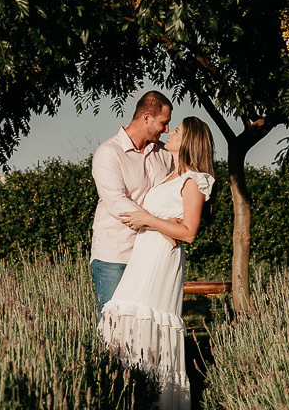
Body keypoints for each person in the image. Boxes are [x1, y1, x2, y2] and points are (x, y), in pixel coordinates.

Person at [99, 116, 216, 410]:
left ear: (188, 140)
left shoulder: (194, 180)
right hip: (145, 253)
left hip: (161, 260)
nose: (170, 132)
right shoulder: (170, 176)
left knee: (144, 321)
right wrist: (159, 223)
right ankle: (128, 395)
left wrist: (152, 221)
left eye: (176, 131)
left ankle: (153, 399)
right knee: (123, 324)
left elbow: (189, 232)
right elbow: (163, 220)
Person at [90, 90, 175, 317]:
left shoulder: (164, 154)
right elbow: (118, 204)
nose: (166, 130)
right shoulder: (109, 153)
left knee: (143, 326)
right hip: (114, 256)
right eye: (163, 123)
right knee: (113, 326)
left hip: (151, 254)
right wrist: (163, 227)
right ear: (146, 117)